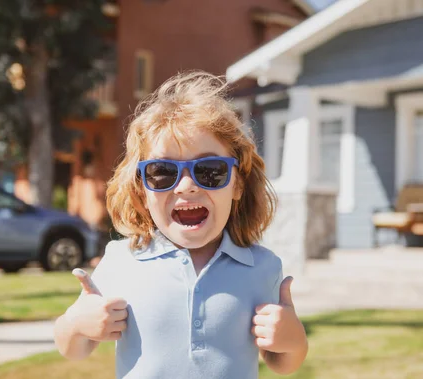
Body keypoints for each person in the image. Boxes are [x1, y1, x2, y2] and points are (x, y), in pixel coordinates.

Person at [53, 71, 308, 378]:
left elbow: (282, 361)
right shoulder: (122, 261)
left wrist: (293, 340)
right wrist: (76, 322)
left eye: (210, 170)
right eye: (162, 172)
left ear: (237, 185)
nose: (186, 186)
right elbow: (74, 349)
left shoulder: (263, 267)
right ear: (141, 192)